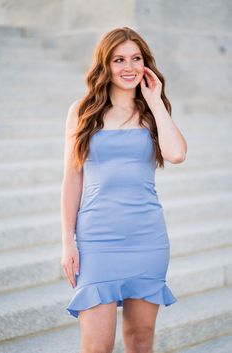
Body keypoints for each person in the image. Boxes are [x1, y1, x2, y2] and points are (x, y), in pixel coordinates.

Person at [61, 26, 187, 353]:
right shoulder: (83, 111)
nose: (128, 67)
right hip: (97, 239)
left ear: (146, 64)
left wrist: (156, 101)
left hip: (147, 238)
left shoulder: (151, 113)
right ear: (106, 65)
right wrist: (67, 242)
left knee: (140, 341)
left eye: (136, 58)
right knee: (96, 346)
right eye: (119, 60)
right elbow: (72, 179)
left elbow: (176, 154)